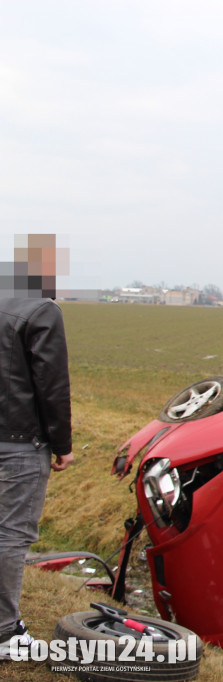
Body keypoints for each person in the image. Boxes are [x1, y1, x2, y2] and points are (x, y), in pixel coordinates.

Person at [0, 234, 74, 659]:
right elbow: (52, 384)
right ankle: (6, 633)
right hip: (19, 441)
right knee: (11, 534)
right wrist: (61, 443)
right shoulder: (42, 310)